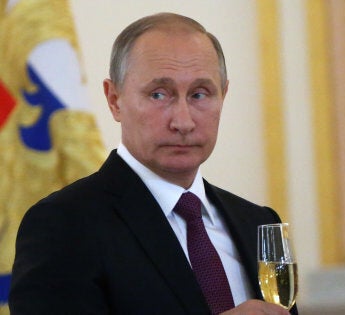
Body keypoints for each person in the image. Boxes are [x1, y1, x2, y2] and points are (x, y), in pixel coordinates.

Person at [9, 12, 297, 315]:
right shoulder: (64, 224)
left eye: (200, 94)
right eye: (159, 94)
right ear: (114, 99)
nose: (183, 121)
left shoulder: (258, 222)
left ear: (223, 96)